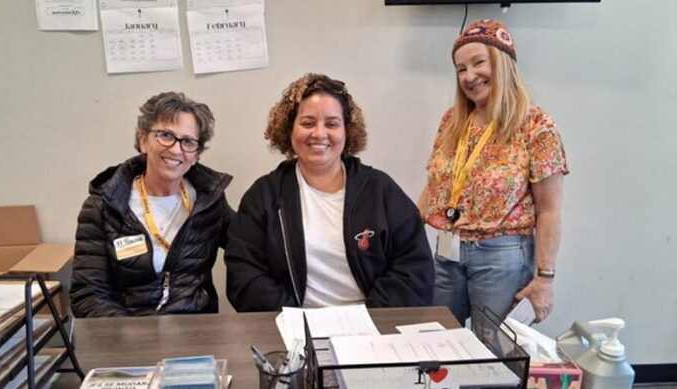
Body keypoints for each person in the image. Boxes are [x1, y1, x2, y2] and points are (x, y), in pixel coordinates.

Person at [225, 73, 434, 312]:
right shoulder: (264, 196)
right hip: (292, 330)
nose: (319, 134)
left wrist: (368, 318)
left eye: (332, 124)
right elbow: (244, 273)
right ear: (289, 129)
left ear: (347, 131)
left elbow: (414, 268)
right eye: (307, 123)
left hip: (372, 327)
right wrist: (294, 320)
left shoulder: (380, 190)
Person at [417, 20, 569, 325]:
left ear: (502, 63)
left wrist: (545, 280)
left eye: (478, 63)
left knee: (493, 352)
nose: (469, 76)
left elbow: (549, 211)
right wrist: (399, 235)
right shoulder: (452, 122)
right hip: (448, 252)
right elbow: (435, 187)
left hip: (502, 258)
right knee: (438, 341)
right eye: (461, 69)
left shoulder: (536, 126)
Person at [70, 92, 233, 317]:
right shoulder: (102, 207)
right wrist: (135, 338)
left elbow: (252, 247)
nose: (176, 149)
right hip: (126, 337)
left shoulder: (209, 201)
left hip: (193, 332)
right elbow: (88, 295)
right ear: (143, 140)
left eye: (188, 142)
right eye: (165, 135)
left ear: (197, 155)